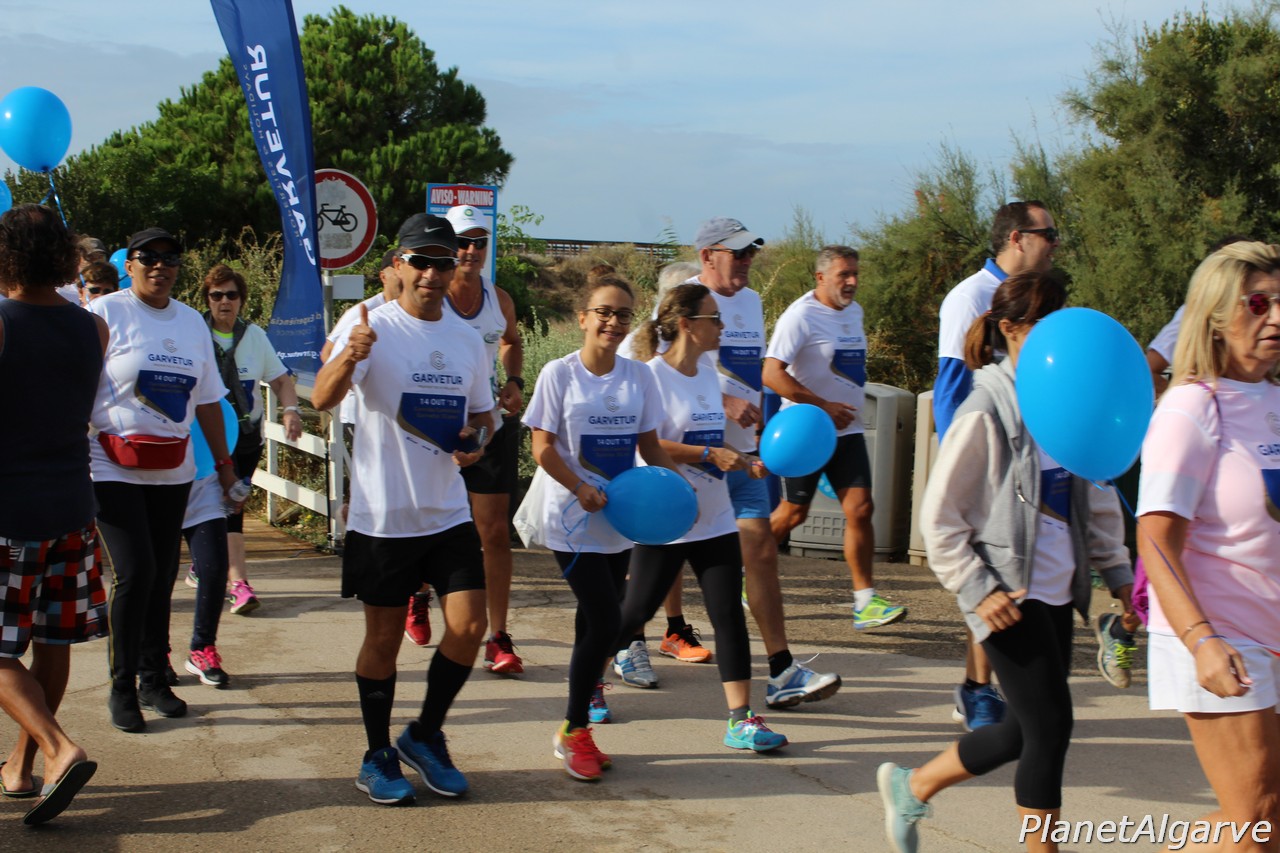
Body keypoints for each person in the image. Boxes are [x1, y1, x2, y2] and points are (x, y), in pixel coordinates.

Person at [878, 270, 1133, 853]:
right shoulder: (986, 409)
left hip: (1057, 591)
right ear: (1012, 329)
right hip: (1005, 596)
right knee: (1051, 728)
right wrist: (977, 589)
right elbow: (940, 520)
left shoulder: (1067, 398)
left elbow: (1094, 494)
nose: (1060, 331)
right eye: (1047, 319)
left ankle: (912, 785)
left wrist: (1118, 574)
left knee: (1022, 730)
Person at [312, 213, 494, 806]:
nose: (433, 273)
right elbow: (322, 398)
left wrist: (476, 440)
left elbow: (482, 415)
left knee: (469, 627)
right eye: (421, 262)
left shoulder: (466, 338)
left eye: (443, 262)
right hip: (384, 516)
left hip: (447, 511)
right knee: (384, 640)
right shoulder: (370, 325)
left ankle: (424, 733)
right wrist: (350, 355)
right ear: (399, 265)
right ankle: (376, 755)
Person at [626, 217, 840, 710]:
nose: (747, 262)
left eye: (751, 254)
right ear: (708, 256)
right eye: (737, 253)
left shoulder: (751, 301)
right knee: (652, 577)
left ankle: (781, 671)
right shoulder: (684, 300)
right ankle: (625, 646)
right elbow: (663, 374)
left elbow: (748, 370)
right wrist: (721, 407)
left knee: (758, 555)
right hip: (685, 462)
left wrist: (755, 435)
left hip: (738, 457)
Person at [1137, 241, 1280, 851]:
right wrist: (1202, 640)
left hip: (1272, 626)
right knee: (1257, 819)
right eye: (1258, 304)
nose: (1276, 317)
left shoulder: (1273, 400)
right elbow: (1155, 538)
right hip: (1221, 633)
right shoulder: (1191, 408)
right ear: (1217, 317)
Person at [613, 283, 790, 754]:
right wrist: (710, 454)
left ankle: (741, 719)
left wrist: (744, 461)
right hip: (667, 518)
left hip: (715, 518)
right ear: (687, 325)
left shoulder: (709, 372)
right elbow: (649, 444)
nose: (722, 327)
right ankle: (587, 685)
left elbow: (711, 438)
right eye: (714, 319)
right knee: (634, 613)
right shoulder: (650, 376)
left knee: (728, 615)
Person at [522, 273, 682, 781]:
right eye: (604, 313)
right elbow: (542, 447)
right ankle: (574, 730)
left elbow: (649, 447)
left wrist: (678, 491)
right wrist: (578, 487)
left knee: (594, 620)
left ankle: (583, 699)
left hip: (620, 519)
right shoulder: (559, 374)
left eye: (623, 315)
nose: (613, 322)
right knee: (608, 620)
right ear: (583, 318)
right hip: (571, 519)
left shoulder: (639, 377)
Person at [88, 227, 241, 733]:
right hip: (112, 464)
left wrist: (225, 466)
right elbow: (76, 382)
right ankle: (122, 686)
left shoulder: (192, 321)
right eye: (148, 257)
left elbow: (208, 400)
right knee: (134, 573)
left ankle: (154, 679)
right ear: (129, 264)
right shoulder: (105, 312)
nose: (160, 266)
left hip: (173, 468)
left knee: (161, 576)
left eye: (170, 258)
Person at [932, 201, 1059, 731]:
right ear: (1016, 238)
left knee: (1016, 577)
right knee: (990, 573)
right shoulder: (970, 296)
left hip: (1034, 454)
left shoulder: (1041, 297)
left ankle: (989, 690)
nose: (1055, 243)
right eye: (1048, 233)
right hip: (989, 458)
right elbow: (950, 385)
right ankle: (977, 689)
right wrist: (959, 460)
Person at [0, 204, 106, 824]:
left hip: (9, 509)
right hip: (73, 505)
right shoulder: (94, 328)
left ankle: (58, 746)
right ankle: (21, 766)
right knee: (53, 638)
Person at [766, 245, 905, 631]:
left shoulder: (854, 312)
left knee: (860, 510)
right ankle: (748, 572)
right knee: (794, 514)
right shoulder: (800, 316)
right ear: (821, 277)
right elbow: (771, 374)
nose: (852, 281)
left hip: (849, 431)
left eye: (856, 273)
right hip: (805, 432)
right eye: (844, 274)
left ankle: (865, 602)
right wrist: (823, 406)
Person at [441, 204, 527, 675]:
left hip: (487, 425)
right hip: (436, 428)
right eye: (462, 242)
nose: (471, 251)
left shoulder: (499, 299)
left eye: (479, 242)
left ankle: (498, 636)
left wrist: (513, 381)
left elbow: (511, 341)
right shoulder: (431, 296)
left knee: (493, 532)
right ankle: (418, 594)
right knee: (431, 527)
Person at [190, 264, 302, 617]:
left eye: (231, 295)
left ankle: (205, 561)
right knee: (230, 506)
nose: (224, 302)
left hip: (246, 438)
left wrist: (291, 411)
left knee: (230, 505)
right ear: (207, 299)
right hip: (205, 439)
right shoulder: (193, 333)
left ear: (241, 299)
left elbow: (281, 380)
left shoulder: (254, 337)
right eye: (216, 295)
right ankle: (239, 584)